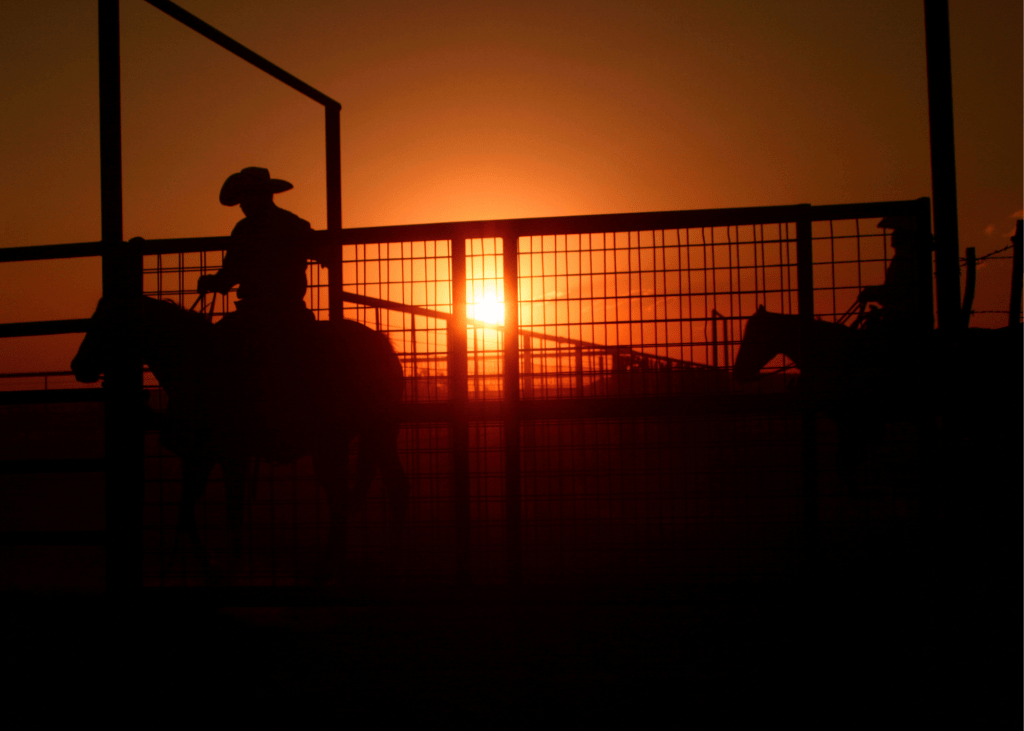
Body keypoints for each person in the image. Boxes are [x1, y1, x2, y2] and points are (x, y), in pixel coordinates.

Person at [197, 167, 322, 457]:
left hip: (256, 311)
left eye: (246, 197)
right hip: (290, 310)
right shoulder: (292, 223)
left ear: (259, 196)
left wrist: (212, 282)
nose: (243, 203)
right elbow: (319, 248)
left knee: (217, 355)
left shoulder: (245, 229)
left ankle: (228, 421)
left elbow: (231, 273)